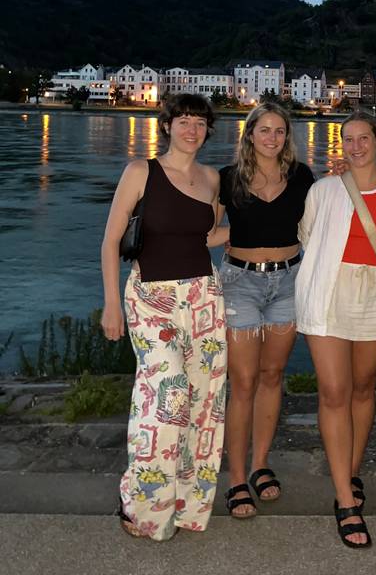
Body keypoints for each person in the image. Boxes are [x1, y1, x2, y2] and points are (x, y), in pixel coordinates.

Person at [100, 93, 227, 541]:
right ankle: (141, 505)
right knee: (166, 393)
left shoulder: (212, 178)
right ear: (168, 126)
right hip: (150, 295)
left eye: (199, 122)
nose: (191, 129)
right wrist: (112, 303)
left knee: (204, 403)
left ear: (208, 130)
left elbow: (210, 236)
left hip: (203, 296)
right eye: (183, 121)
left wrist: (271, 225)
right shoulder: (141, 171)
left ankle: (188, 505)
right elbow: (111, 240)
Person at [296, 111, 376, 549]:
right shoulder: (325, 189)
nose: (356, 146)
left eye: (364, 138)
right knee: (334, 391)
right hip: (330, 290)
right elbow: (309, 236)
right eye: (349, 139)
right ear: (341, 143)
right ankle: (346, 501)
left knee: (364, 388)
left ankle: (350, 470)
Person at [215, 102, 314, 519]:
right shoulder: (226, 179)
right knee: (243, 381)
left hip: (289, 281)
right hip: (240, 283)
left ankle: (260, 464)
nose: (272, 137)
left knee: (273, 375)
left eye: (279, 131)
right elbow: (207, 228)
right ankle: (236, 478)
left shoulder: (302, 176)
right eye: (264, 130)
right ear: (250, 134)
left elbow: (322, 218)